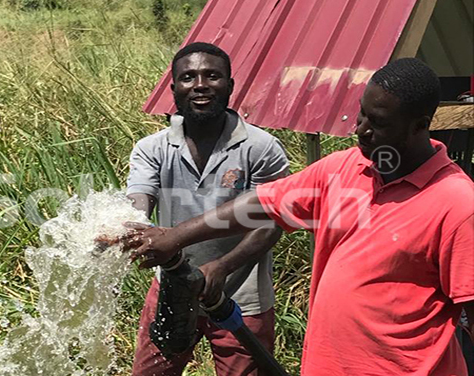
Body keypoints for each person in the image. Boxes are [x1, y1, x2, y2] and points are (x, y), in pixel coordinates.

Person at [127, 58, 474, 375]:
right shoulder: (343, 168)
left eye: (378, 123)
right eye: (361, 114)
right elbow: (263, 203)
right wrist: (175, 237)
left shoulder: (457, 204)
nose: (360, 130)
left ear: (420, 126)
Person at [126, 42, 289, 376]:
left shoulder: (261, 148)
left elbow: (271, 221)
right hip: (171, 289)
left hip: (242, 294)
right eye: (188, 77)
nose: (200, 84)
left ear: (230, 86)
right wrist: (125, 225)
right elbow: (139, 200)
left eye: (212, 76)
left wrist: (223, 267)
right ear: (174, 89)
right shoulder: (152, 149)